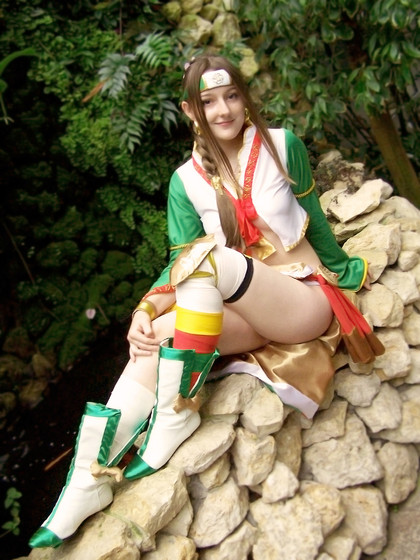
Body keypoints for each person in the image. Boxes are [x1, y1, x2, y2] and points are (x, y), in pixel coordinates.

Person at [29, 53, 383, 549]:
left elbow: (314, 218)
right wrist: (146, 310)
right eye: (209, 101)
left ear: (244, 96)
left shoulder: (282, 145)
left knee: (208, 258)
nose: (223, 110)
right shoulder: (185, 181)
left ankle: (177, 412)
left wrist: (344, 269)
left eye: (231, 95)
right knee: (157, 335)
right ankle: (87, 481)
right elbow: (178, 263)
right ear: (190, 110)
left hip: (300, 298)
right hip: (244, 309)